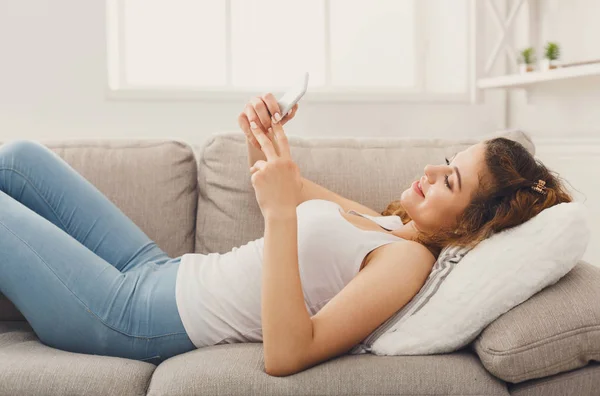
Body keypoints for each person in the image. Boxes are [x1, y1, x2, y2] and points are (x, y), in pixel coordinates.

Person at [0, 93, 572, 375]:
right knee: (20, 159)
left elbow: (286, 353)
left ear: (470, 224)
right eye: (444, 159)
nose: (428, 172)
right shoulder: (393, 225)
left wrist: (277, 215)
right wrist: (265, 137)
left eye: (448, 180)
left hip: (128, 317)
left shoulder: (407, 264)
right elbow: (291, 190)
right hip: (158, 270)